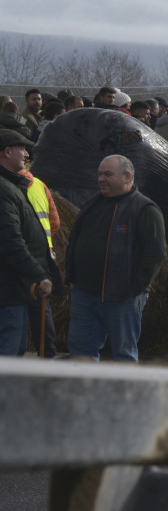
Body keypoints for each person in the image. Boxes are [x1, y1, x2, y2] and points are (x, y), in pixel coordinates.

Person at [63, 155, 167, 362]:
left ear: (127, 176)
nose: (101, 179)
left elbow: (155, 253)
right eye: (100, 174)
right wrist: (72, 277)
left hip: (122, 298)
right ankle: (83, 384)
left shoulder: (144, 209)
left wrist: (135, 289)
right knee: (80, 352)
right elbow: (75, 240)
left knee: (123, 355)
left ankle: (123, 385)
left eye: (108, 174)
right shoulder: (93, 203)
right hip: (84, 294)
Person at [0, 127, 56, 356]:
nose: (26, 154)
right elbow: (10, 241)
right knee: (10, 353)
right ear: (6, 152)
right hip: (9, 289)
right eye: (22, 149)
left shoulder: (14, 186)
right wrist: (38, 274)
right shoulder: (4, 190)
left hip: (16, 287)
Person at [19, 159, 60, 357]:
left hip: (14, 256)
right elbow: (55, 223)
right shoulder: (39, 184)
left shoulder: (7, 185)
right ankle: (47, 354)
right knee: (40, 308)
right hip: (42, 256)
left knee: (14, 307)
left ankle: (14, 357)